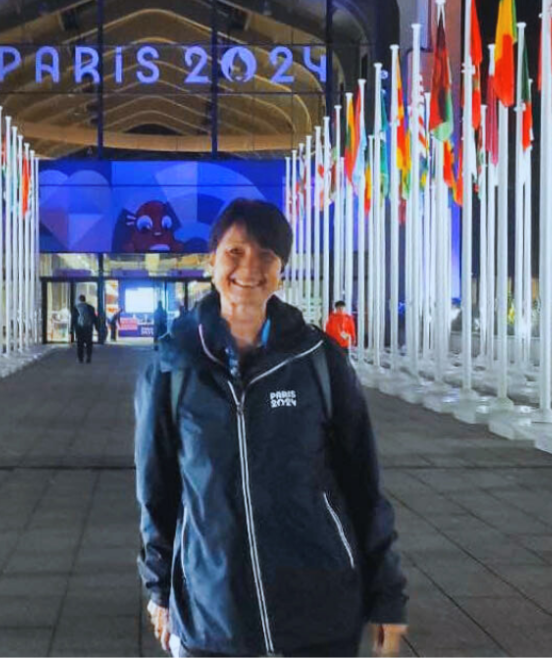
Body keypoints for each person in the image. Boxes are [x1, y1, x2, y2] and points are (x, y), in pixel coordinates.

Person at [135, 199, 408, 657]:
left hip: (318, 617)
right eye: (235, 252)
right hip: (212, 619)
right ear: (211, 263)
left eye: (267, 255)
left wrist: (387, 594)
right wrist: (160, 589)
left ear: (281, 269)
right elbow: (156, 490)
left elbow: (364, 485)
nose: (250, 268)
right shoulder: (173, 365)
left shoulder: (318, 360)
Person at [74, 294, 99, 363]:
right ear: (85, 300)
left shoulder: (76, 308)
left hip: (79, 328)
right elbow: (94, 318)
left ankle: (80, 358)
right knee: (89, 343)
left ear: (79, 300)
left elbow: (73, 319)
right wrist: (97, 327)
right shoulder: (91, 307)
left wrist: (71, 329)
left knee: (80, 344)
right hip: (88, 327)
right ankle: (88, 357)